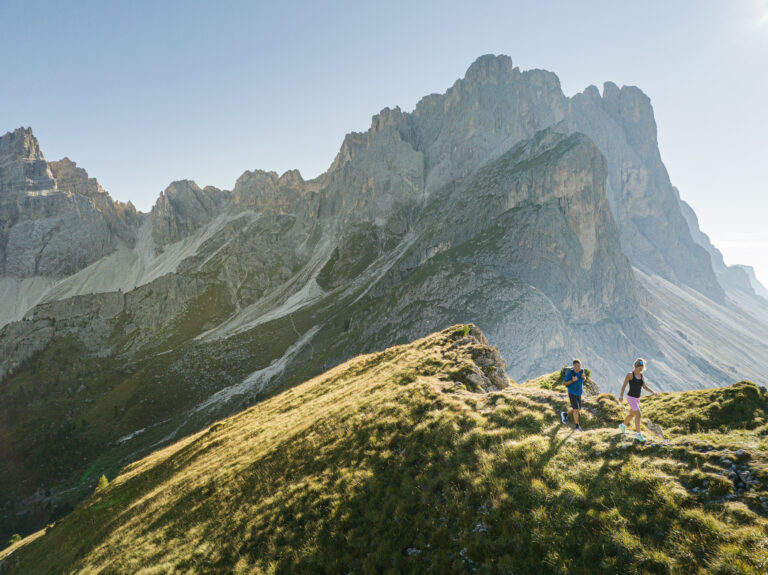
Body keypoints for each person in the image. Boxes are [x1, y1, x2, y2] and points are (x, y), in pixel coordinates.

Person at [618, 358, 658, 443]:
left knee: (632, 414)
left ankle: (622, 425)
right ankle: (638, 434)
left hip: (637, 398)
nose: (641, 370)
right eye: (639, 368)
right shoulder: (630, 375)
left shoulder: (641, 375)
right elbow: (624, 386)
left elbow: (645, 387)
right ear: (635, 367)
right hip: (631, 397)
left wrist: (653, 392)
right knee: (638, 415)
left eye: (642, 368)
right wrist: (621, 396)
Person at [560, 359, 585, 432]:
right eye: (577, 366)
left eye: (580, 365)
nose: (579, 367)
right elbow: (564, 383)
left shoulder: (582, 370)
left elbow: (583, 379)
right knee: (576, 410)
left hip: (579, 392)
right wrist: (572, 381)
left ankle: (565, 414)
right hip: (572, 392)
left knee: (578, 408)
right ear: (574, 366)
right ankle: (577, 426)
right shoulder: (570, 373)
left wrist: (584, 378)